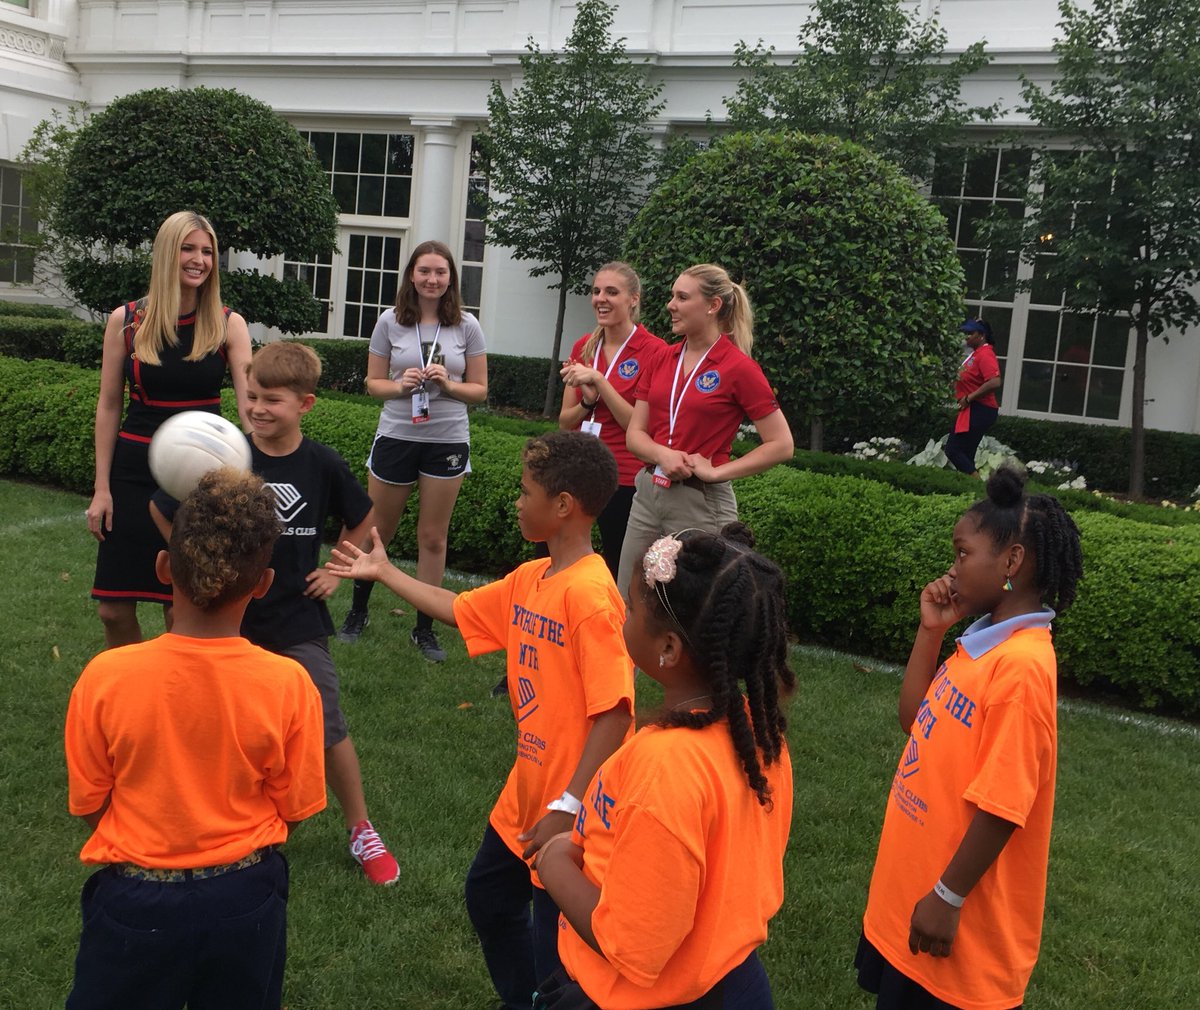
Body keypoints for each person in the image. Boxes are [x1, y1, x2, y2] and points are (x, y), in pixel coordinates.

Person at [327, 430, 635, 1010]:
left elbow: (616, 713)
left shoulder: (591, 596)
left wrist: (567, 810)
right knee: (490, 899)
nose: (516, 503)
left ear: (563, 505)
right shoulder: (531, 578)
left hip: (573, 814)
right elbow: (461, 610)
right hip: (525, 793)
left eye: (525, 492)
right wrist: (387, 574)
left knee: (561, 958)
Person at [64, 468, 327, 1010]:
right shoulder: (288, 684)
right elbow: (295, 808)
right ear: (263, 584)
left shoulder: (106, 676)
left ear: (164, 568)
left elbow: (91, 801)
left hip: (134, 899)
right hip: (245, 896)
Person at [149, 342, 399, 885]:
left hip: (293, 618)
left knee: (325, 719)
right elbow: (162, 506)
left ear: (306, 403)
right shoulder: (222, 455)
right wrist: (195, 562)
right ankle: (207, 815)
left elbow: (363, 515)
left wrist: (336, 568)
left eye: (273, 400)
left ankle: (360, 828)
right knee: (213, 718)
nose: (258, 409)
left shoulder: (323, 463)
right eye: (252, 397)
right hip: (224, 619)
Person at [535, 523, 795, 1010]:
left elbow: (634, 948)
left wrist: (554, 861)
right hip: (731, 980)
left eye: (631, 609)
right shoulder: (759, 734)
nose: (622, 618)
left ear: (669, 648)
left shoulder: (664, 767)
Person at [856, 465, 1083, 1010]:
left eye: (962, 554)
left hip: (956, 934)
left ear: (1011, 562)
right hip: (906, 897)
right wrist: (930, 631)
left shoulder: (1023, 668)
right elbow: (915, 719)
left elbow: (1005, 804)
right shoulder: (981, 645)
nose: (952, 569)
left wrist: (947, 895)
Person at [87, 210, 252, 650]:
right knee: (113, 608)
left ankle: (178, 701)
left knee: (181, 606)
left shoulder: (227, 323)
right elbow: (108, 405)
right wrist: (102, 488)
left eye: (207, 251)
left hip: (201, 479)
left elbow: (250, 403)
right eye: (188, 248)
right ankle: (131, 691)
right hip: (133, 470)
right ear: (166, 253)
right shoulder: (126, 321)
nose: (199, 260)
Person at [338, 239, 488, 661]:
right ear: (411, 276)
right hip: (398, 435)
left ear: (451, 279)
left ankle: (425, 629)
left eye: (441, 272)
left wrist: (449, 385)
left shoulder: (467, 325)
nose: (432, 279)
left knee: (433, 537)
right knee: (377, 531)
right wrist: (400, 385)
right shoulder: (389, 321)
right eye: (425, 271)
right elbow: (372, 384)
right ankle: (357, 612)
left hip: (447, 439)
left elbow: (478, 390)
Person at [617, 263, 794, 599]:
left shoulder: (739, 367)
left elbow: (782, 444)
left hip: (699, 499)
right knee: (630, 598)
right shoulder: (660, 359)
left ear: (713, 306)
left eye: (682, 297)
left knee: (694, 608)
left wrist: (717, 473)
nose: (671, 305)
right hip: (649, 492)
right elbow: (635, 434)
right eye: (673, 296)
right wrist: (662, 454)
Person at [558, 262, 667, 576]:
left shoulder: (655, 351)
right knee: (560, 556)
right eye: (596, 291)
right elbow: (565, 422)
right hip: (581, 470)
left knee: (621, 567)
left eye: (611, 292)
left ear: (633, 299)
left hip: (625, 477)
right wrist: (589, 403)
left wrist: (600, 383)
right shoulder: (585, 346)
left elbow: (644, 428)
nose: (600, 299)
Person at [945, 319, 1002, 478]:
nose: (967, 337)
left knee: (953, 450)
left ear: (982, 335)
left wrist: (969, 398)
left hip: (980, 409)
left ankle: (980, 487)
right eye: (966, 333)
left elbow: (994, 381)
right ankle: (971, 491)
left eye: (971, 333)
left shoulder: (985, 354)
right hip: (973, 409)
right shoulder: (976, 354)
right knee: (965, 454)